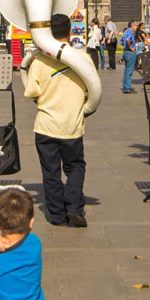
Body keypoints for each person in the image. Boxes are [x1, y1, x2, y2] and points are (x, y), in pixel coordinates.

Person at [21, 13, 90, 228]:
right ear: (71, 32)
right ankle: (74, 208)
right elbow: (91, 90)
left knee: (50, 172)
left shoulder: (40, 61)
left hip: (46, 125)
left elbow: (32, 91)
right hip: (72, 126)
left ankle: (57, 215)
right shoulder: (83, 58)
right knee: (75, 167)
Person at [121, 21, 139, 94]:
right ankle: (127, 88)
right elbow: (127, 40)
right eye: (136, 26)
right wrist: (131, 47)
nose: (137, 27)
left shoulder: (125, 31)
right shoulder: (130, 32)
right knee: (129, 71)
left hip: (126, 52)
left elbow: (122, 42)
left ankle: (126, 86)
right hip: (130, 53)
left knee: (127, 70)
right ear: (132, 26)